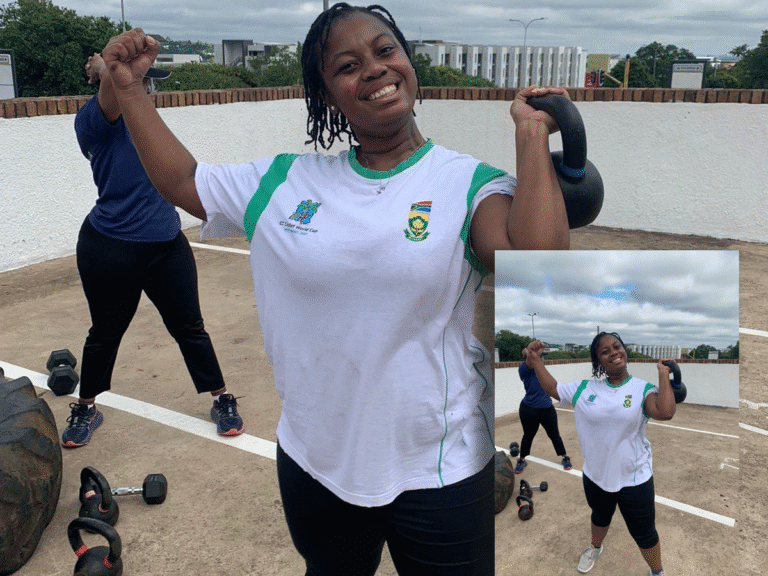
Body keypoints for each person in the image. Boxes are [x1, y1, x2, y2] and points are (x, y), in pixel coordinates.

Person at [99, 3, 570, 574]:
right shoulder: (282, 183)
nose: (374, 69)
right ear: (325, 97)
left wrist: (531, 134)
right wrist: (129, 90)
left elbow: (536, 259)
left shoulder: (465, 184)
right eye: (347, 65)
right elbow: (180, 179)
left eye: (385, 51)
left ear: (408, 64)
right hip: (316, 462)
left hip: (438, 467)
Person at [61, 53, 245, 448]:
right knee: (105, 333)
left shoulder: (151, 128)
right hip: (109, 247)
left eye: (147, 82)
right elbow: (113, 97)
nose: (145, 89)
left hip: (166, 245)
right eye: (135, 82)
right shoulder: (94, 124)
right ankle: (86, 407)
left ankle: (220, 398)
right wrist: (105, 68)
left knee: (190, 328)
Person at [526, 333, 676, 576]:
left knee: (645, 533)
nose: (614, 352)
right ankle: (595, 547)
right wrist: (537, 360)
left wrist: (663, 375)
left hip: (634, 478)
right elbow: (553, 388)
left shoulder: (642, 389)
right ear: (598, 361)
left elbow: (665, 411)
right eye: (605, 351)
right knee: (599, 517)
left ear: (624, 351)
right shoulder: (585, 389)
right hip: (596, 476)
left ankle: (657, 572)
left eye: (617, 347)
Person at [512, 344, 572, 474]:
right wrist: (530, 353)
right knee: (528, 436)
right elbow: (529, 362)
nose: (539, 359)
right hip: (529, 410)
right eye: (535, 357)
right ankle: (522, 460)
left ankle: (564, 457)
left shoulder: (542, 370)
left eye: (540, 358)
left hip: (547, 409)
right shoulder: (524, 369)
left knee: (555, 435)